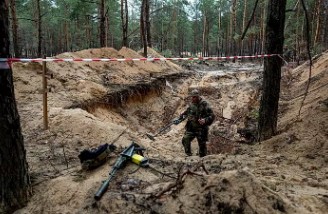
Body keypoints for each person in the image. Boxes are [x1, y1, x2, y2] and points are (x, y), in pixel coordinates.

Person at [173, 89, 215, 157]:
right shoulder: (191, 105)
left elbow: (212, 116)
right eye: (192, 97)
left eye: (194, 97)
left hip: (201, 129)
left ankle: (202, 159)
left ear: (198, 97)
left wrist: (205, 120)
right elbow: (186, 114)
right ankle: (189, 155)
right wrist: (179, 120)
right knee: (185, 139)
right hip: (191, 128)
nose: (192, 98)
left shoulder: (204, 104)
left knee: (202, 146)